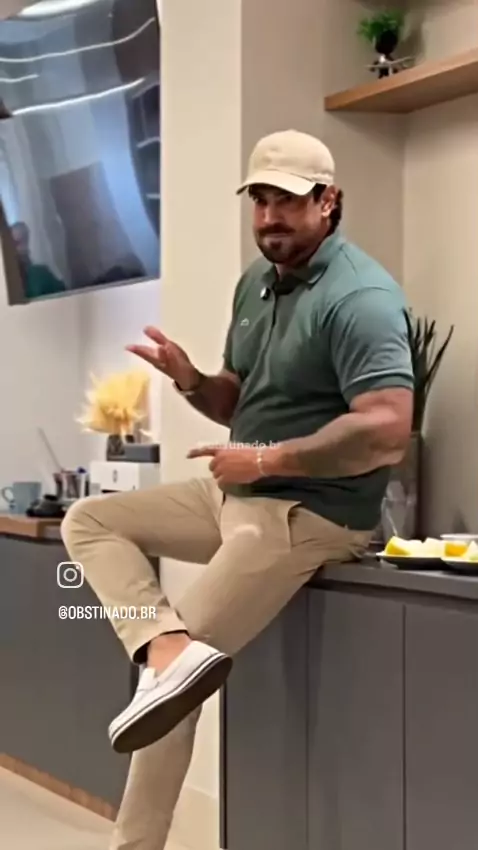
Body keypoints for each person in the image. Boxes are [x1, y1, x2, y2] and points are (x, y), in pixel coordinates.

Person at [61, 129, 414, 850]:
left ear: (328, 200)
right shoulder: (256, 282)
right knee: (90, 520)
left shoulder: (362, 297)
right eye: (260, 199)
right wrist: (191, 379)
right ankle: (162, 645)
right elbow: (236, 399)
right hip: (241, 495)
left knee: (170, 697)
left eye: (287, 200)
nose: (270, 216)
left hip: (310, 513)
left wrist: (266, 460)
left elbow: (387, 427)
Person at [11, 221, 65, 299]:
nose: (23, 248)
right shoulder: (6, 280)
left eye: (25, 241)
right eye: (17, 243)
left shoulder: (41, 273)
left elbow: (64, 295)